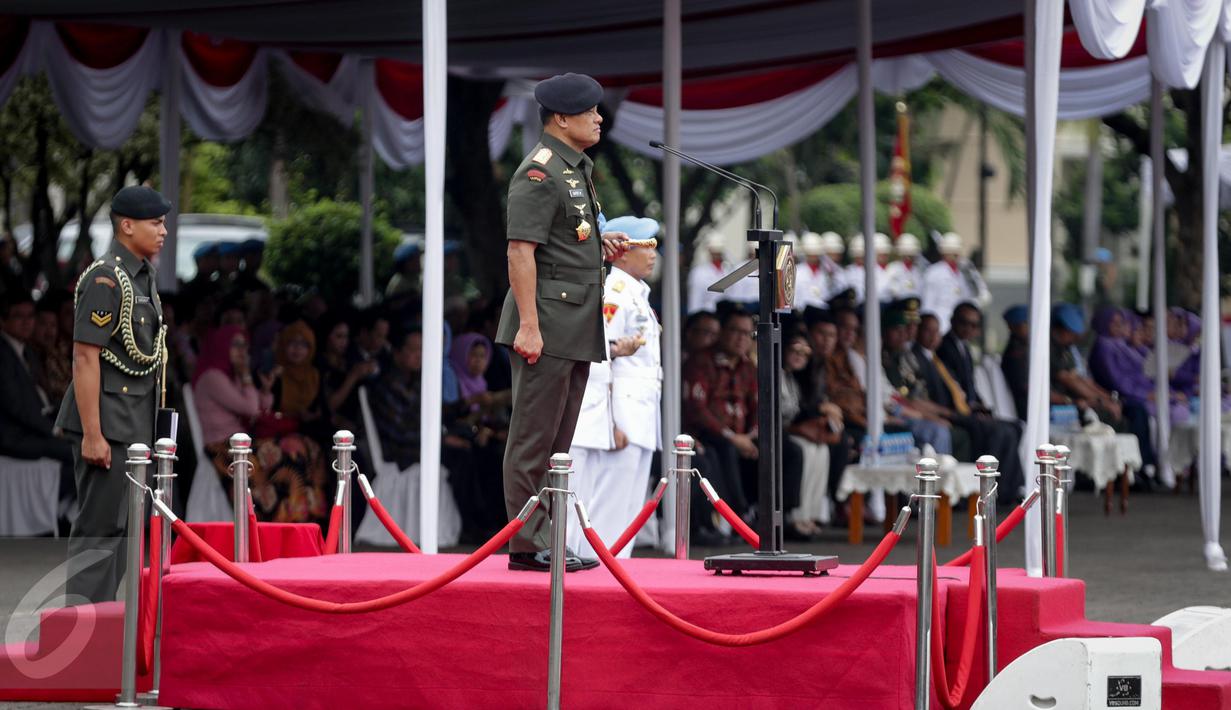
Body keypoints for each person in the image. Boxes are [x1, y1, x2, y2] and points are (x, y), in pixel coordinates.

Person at [495, 72, 629, 572]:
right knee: (532, 439)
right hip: (546, 324)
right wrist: (529, 324)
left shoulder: (575, 167)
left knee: (558, 443)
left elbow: (561, 240)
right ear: (561, 118)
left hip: (571, 324)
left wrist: (601, 245)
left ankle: (547, 537)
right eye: (590, 111)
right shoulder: (540, 171)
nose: (599, 118)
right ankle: (527, 545)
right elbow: (520, 252)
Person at [56, 186, 170, 603]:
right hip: (106, 423)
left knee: (122, 536)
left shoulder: (142, 275)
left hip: (132, 424)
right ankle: (80, 631)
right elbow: (85, 357)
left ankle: (101, 631)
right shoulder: (106, 278)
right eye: (155, 223)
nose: (163, 232)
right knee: (99, 534)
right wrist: (92, 434)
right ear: (127, 226)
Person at [602, 216, 664, 552]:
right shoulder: (615, 293)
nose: (654, 253)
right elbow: (605, 359)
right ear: (622, 252)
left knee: (630, 506)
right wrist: (609, 421)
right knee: (613, 502)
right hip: (623, 406)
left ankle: (618, 568)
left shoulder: (637, 293)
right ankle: (605, 574)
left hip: (641, 407)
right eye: (647, 245)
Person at [0, 293, 76, 519]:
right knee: (75, 452)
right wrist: (53, 430)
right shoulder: (3, 353)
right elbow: (16, 407)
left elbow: (46, 400)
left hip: (36, 428)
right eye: (18, 317)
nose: (26, 322)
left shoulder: (26, 351)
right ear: (3, 321)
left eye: (30, 316)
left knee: (82, 445)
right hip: (14, 437)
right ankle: (61, 511)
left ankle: (63, 508)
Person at [922, 232, 991, 333]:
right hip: (941, 323)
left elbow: (980, 294)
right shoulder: (933, 273)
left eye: (955, 252)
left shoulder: (967, 270)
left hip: (962, 323)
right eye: (951, 252)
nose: (954, 256)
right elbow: (928, 303)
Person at [1001, 304, 1031, 420]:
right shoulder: (1015, 353)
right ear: (1014, 327)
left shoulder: (1024, 348)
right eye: (1026, 324)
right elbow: (1024, 386)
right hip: (1024, 407)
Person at [688, 230, 727, 314]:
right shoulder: (699, 272)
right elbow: (695, 300)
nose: (716, 255)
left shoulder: (727, 269)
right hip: (707, 316)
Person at [795, 231, 832, 309]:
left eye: (815, 254)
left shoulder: (825, 273)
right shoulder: (797, 271)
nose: (813, 256)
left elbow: (827, 297)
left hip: (821, 314)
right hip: (802, 314)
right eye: (810, 254)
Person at [885, 233, 926, 299]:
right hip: (897, 305)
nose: (908, 257)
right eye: (906, 254)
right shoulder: (892, 268)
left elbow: (921, 291)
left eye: (911, 254)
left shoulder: (919, 270)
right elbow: (891, 290)